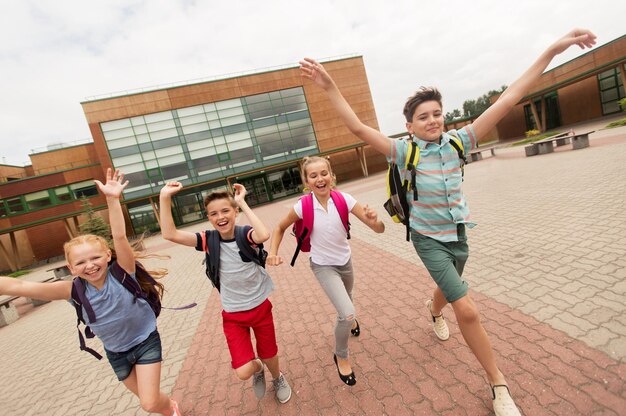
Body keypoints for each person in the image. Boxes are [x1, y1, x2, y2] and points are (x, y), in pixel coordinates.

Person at [298, 29, 596, 415]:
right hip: (427, 239)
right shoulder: (404, 151)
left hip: (458, 236)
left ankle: (433, 308)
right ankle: (498, 385)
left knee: (447, 291)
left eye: (437, 113)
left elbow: (509, 99)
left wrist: (554, 49)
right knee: (467, 309)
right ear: (409, 125)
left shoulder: (460, 141)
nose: (433, 120)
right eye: (423, 116)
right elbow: (358, 128)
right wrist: (330, 86)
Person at [0, 168, 182, 416]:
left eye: (95, 257)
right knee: (151, 400)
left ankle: (169, 409)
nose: (90, 265)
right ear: (71, 267)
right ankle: (170, 408)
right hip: (116, 353)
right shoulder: (71, 289)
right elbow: (20, 286)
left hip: (145, 341)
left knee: (148, 403)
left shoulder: (122, 272)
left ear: (108, 256)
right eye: (81, 262)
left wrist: (112, 199)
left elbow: (118, 235)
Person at [159, 182, 292, 403]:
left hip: (260, 307)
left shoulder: (245, 234)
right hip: (233, 315)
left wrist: (242, 201)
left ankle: (277, 377)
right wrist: (165, 197)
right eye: (213, 213)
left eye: (225, 210)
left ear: (235, 212)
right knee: (243, 371)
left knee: (269, 353)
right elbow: (169, 234)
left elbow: (264, 234)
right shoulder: (208, 240)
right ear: (209, 217)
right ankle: (258, 369)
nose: (220, 216)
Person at [267, 156, 385, 386]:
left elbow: (378, 230)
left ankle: (349, 321)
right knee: (347, 312)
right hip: (322, 265)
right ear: (306, 181)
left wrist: (376, 220)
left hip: (345, 262)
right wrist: (272, 251)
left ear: (331, 175)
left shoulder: (345, 200)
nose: (320, 179)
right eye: (313, 175)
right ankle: (341, 355)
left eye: (324, 173)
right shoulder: (303, 206)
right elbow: (280, 227)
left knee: (347, 299)